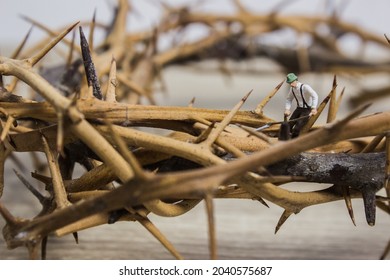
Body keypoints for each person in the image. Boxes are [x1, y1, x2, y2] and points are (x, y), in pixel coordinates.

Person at [284, 73, 318, 138]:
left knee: (297, 127)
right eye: (289, 83)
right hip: (299, 109)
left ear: (296, 80)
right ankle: (287, 138)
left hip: (307, 110)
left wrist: (313, 108)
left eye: (292, 82)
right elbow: (289, 99)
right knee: (289, 125)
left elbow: (315, 96)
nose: (291, 84)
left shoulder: (305, 87)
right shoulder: (292, 89)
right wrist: (287, 109)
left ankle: (294, 141)